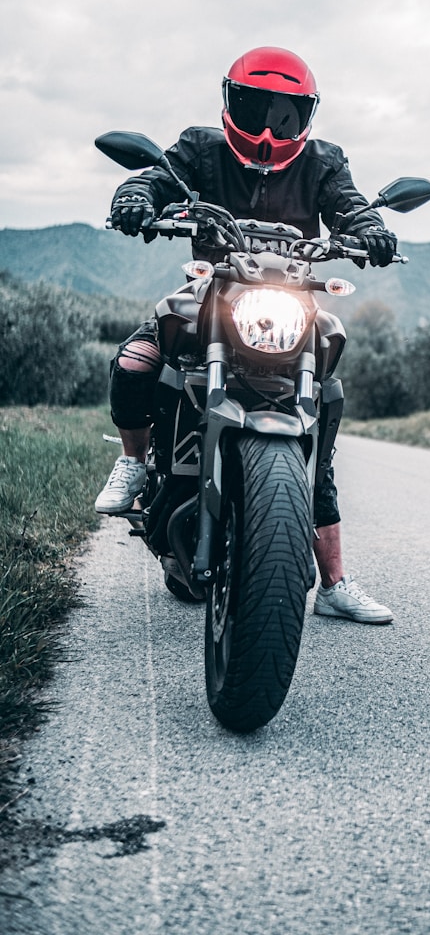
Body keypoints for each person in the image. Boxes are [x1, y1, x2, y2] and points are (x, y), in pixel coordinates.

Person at [95, 46, 397, 624]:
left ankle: (332, 583)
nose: (267, 126)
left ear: (303, 118)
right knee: (136, 360)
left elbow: (352, 209)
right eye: (257, 108)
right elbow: (160, 177)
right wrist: (136, 196)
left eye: (282, 114)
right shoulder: (201, 148)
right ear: (232, 102)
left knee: (324, 402)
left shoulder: (325, 163)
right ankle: (135, 463)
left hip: (290, 297)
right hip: (211, 290)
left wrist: (372, 231)